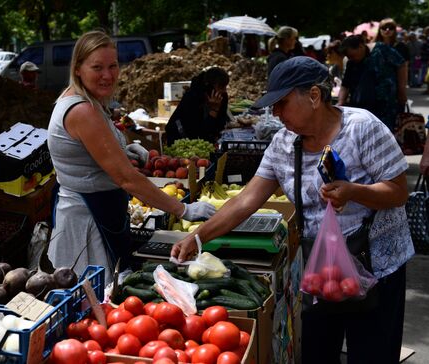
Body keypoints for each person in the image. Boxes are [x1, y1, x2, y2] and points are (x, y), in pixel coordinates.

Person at [171, 56, 414, 364]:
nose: (275, 113)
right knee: (316, 353)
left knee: (372, 354)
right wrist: (197, 237)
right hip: (322, 269)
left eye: (282, 103)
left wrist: (355, 192)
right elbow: (246, 200)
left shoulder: (363, 128)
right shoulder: (284, 144)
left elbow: (398, 192)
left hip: (377, 267)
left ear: (314, 96)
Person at [46, 30, 215, 283]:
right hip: (89, 223)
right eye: (97, 67)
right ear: (78, 68)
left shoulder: (84, 99)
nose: (107, 75)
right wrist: (183, 210)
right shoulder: (82, 110)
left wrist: (123, 150)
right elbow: (127, 179)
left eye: (113, 66)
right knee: (93, 298)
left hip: (98, 212)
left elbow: (89, 153)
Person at [337, 34, 407, 131]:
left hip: (387, 107)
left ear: (361, 46)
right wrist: (340, 102)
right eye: (348, 57)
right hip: (363, 110)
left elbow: (401, 64)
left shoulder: (381, 50)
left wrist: (401, 89)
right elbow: (345, 85)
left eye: (352, 55)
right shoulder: (351, 63)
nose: (350, 58)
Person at [165, 67, 230, 146]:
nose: (224, 91)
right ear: (209, 87)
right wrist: (214, 110)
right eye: (221, 87)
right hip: (180, 140)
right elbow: (200, 134)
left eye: (225, 87)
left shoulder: (222, 96)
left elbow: (220, 125)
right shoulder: (192, 97)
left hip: (202, 142)